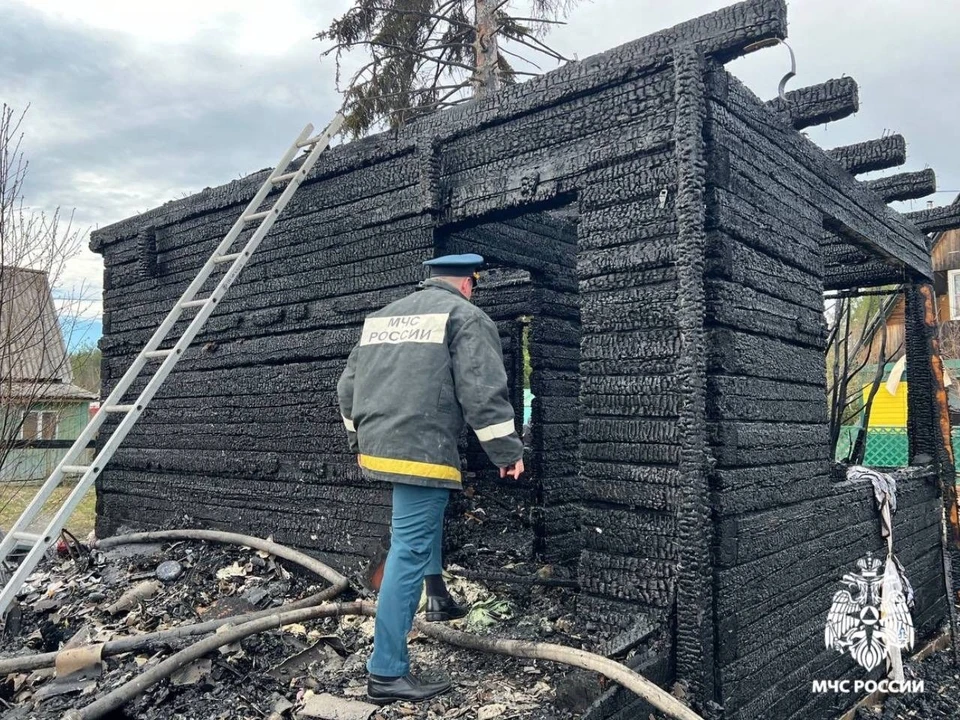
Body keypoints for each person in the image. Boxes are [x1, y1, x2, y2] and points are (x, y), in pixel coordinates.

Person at [337, 253, 525, 704]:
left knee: (424, 522)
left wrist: (357, 439)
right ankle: (386, 673)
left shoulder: (382, 318)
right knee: (409, 546)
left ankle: (438, 599)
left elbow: (347, 387)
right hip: (422, 449)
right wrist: (506, 451)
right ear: (467, 283)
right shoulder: (466, 315)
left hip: (380, 445)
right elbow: (482, 390)